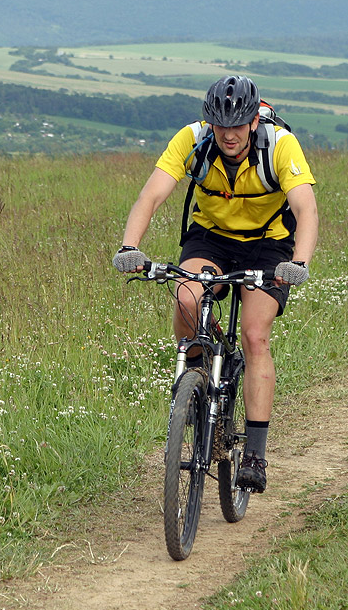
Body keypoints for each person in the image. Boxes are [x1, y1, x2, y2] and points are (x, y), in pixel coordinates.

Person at [112, 74, 319, 493]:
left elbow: (306, 209)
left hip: (268, 244)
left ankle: (255, 456)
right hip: (211, 238)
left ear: (254, 122)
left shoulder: (280, 145)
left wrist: (299, 262)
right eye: (220, 125)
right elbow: (151, 196)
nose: (228, 134)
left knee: (255, 335)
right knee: (187, 298)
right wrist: (129, 246)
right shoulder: (192, 139)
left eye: (238, 125)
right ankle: (196, 374)